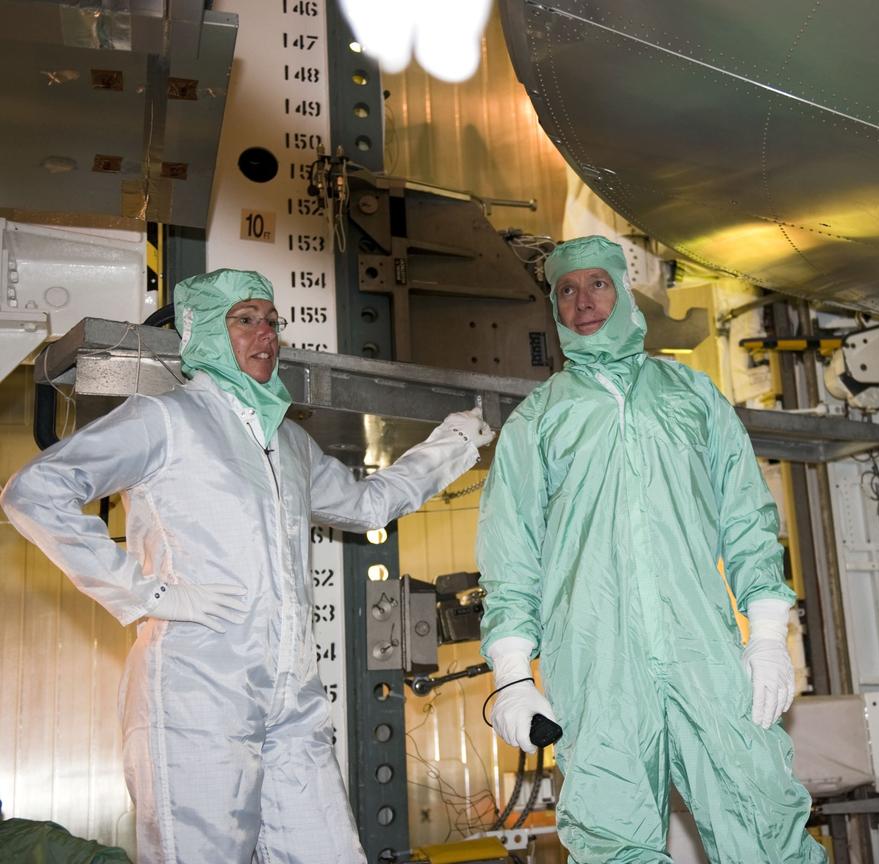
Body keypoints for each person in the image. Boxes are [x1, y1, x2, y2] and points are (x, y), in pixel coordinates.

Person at [1, 269, 494, 863]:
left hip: (291, 699)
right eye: (245, 320)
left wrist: (457, 442)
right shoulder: (167, 420)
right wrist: (150, 594)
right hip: (196, 695)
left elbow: (368, 504)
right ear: (207, 331)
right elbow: (35, 491)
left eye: (271, 321)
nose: (267, 334)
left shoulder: (287, 442)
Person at [477, 237, 825, 863]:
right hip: (594, 663)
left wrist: (769, 635)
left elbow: (747, 517)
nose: (583, 301)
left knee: (762, 814)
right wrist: (510, 677)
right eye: (567, 290)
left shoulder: (692, 396)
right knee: (613, 839)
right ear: (555, 307)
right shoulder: (538, 420)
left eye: (598, 284)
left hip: (702, 650)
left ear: (623, 290)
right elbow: (511, 555)